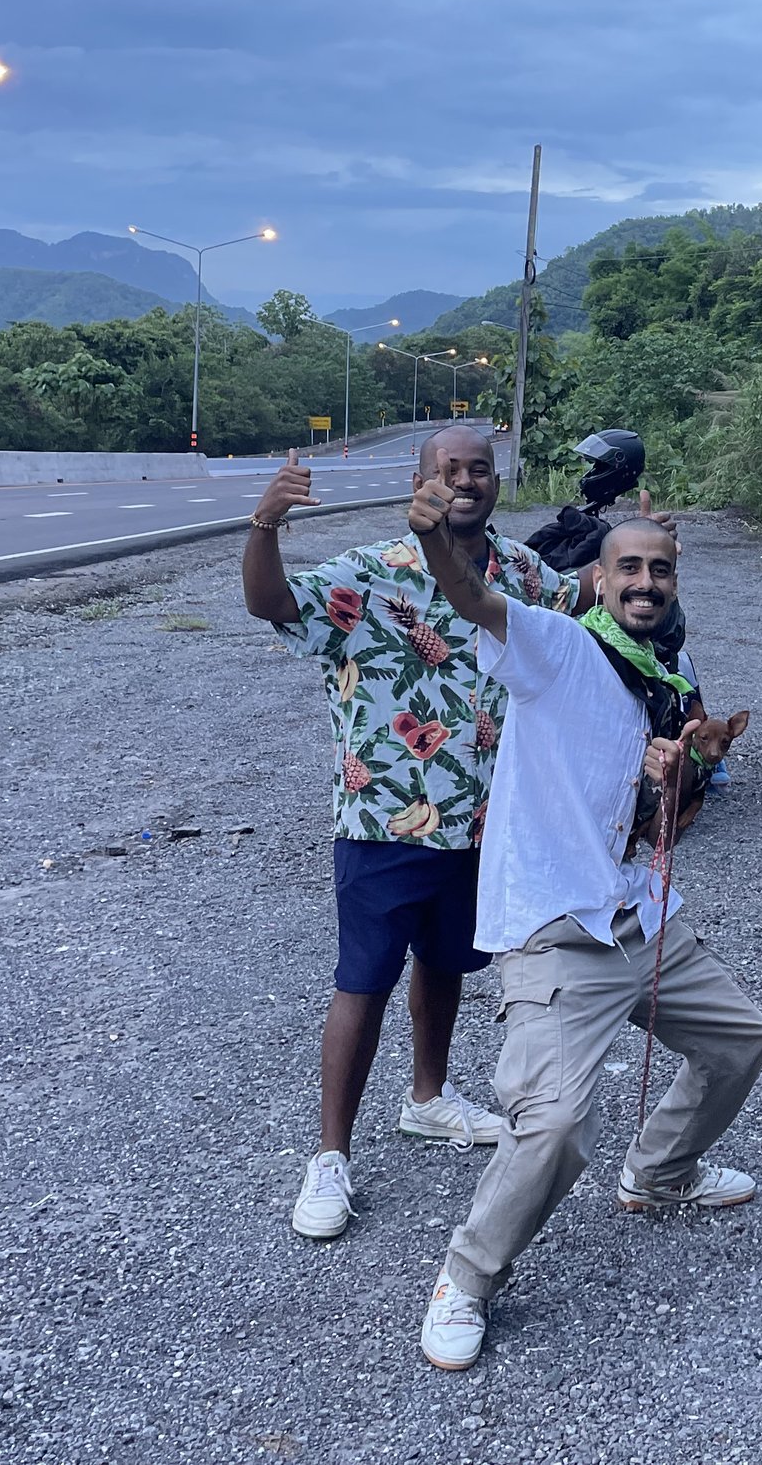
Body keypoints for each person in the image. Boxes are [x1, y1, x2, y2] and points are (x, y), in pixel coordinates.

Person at [405, 484, 762, 1371]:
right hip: (554, 926)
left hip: (641, 918)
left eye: (662, 570)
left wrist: (674, 775)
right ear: (598, 580)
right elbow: (474, 597)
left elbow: (663, 824)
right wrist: (436, 542)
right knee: (557, 1120)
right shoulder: (558, 646)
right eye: (631, 568)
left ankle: (657, 1171)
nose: (647, 582)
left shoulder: (668, 683)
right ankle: (467, 1273)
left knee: (741, 1041)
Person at [242, 425, 578, 1242]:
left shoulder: (526, 572)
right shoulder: (369, 570)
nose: (467, 480)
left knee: (448, 961)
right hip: (383, 816)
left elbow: (582, 616)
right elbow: (274, 604)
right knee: (363, 979)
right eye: (450, 468)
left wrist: (637, 553)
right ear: (420, 479)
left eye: (481, 470)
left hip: (485, 821)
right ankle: (329, 1156)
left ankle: (428, 1098)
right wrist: (263, 527)